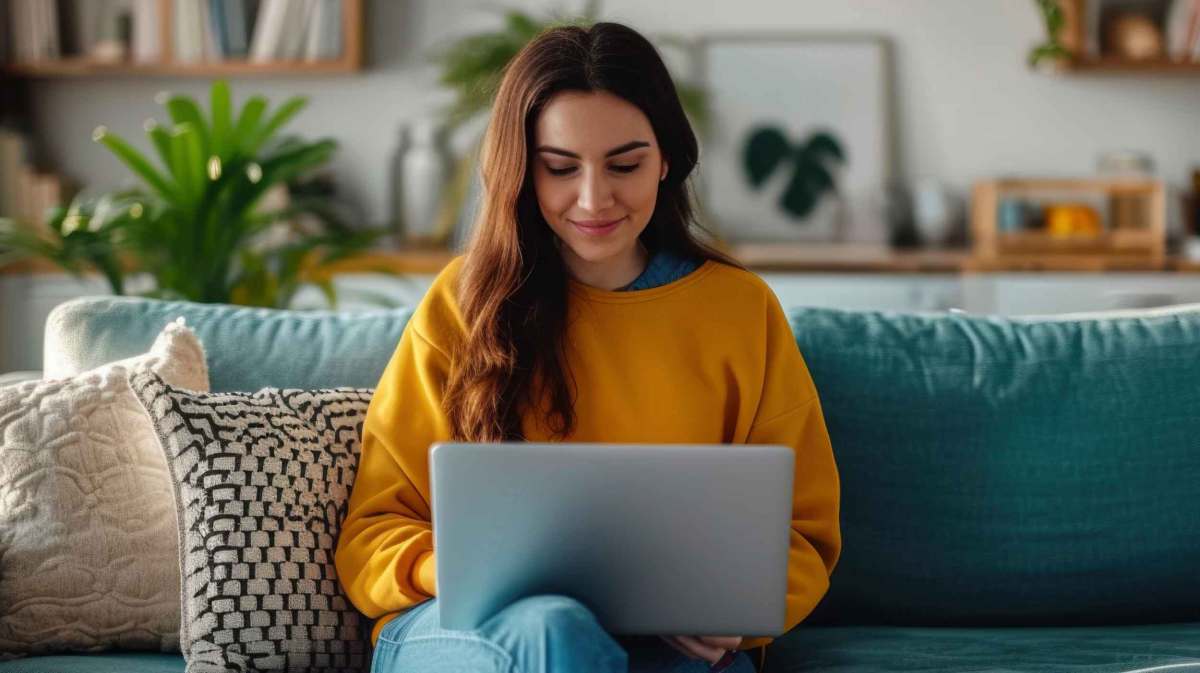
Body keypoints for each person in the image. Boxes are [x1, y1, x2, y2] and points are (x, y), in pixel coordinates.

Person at [334, 20, 841, 673]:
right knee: (556, 629)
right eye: (559, 168)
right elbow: (374, 531)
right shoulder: (461, 304)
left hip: (671, 645)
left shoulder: (741, 311)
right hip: (470, 632)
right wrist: (470, 570)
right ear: (521, 172)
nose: (593, 198)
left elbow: (803, 531)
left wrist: (736, 617)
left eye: (624, 164)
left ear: (667, 160)